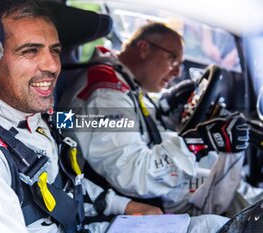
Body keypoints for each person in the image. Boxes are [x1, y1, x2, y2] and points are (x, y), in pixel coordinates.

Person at [0, 1, 164, 233]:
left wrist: (124, 205)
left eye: (55, 50)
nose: (52, 65)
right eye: (30, 51)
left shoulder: (43, 116)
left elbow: (69, 181)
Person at [59, 23, 250, 216]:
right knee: (229, 208)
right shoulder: (106, 96)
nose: (177, 72)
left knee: (223, 179)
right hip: (125, 205)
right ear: (144, 48)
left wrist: (166, 110)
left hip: (139, 191)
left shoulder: (122, 79)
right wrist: (197, 143)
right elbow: (133, 175)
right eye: (173, 58)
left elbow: (140, 128)